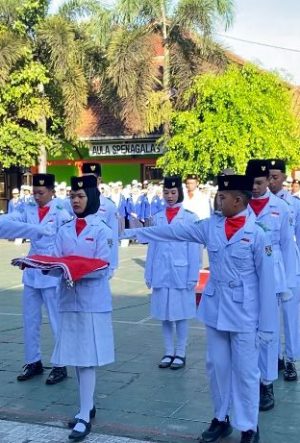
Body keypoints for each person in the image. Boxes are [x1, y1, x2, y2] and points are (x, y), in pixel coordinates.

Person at [121, 175, 277, 443]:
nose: (218, 200)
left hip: (245, 315)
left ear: (238, 200)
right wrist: (135, 232)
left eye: (222, 196)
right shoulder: (210, 226)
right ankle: (221, 418)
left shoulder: (258, 233)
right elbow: (173, 232)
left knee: (246, 371)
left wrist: (267, 327)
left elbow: (267, 283)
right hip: (216, 309)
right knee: (216, 367)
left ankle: (249, 426)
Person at [50, 175, 114, 441]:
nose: (75, 201)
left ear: (92, 198)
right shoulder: (64, 229)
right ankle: (87, 405)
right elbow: (55, 261)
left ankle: (85, 414)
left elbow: (103, 267)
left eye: (80, 196)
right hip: (68, 299)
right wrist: (40, 265)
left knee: (87, 359)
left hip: (92, 303)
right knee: (77, 356)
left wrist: (72, 269)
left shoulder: (102, 230)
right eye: (72, 197)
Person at [0, 173, 72, 384]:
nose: (37, 197)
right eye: (34, 193)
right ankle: (33, 361)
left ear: (51, 191)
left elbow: (67, 238)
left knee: (56, 320)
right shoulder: (28, 208)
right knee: (30, 319)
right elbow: (12, 223)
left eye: (41, 193)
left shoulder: (61, 210)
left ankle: (60, 364)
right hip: (31, 268)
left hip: (51, 269)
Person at [245, 159, 297, 411]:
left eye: (259, 182)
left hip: (272, 278)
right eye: (251, 182)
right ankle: (249, 381)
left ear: (268, 181)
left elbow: (287, 247)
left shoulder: (281, 208)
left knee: (269, 333)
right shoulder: (238, 204)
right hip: (245, 278)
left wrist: (287, 284)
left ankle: (266, 384)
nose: (254, 187)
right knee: (246, 333)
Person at [145, 176, 200, 369]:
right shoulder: (157, 217)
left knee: (181, 314)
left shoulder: (190, 218)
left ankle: (181, 353)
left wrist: (194, 274)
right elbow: (152, 246)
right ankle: (168, 351)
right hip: (161, 271)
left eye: (173, 192)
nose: (169, 196)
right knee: (165, 315)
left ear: (180, 192)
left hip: (181, 272)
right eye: (166, 192)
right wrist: (149, 272)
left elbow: (194, 249)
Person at [267, 159, 300, 383]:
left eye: (275, 177)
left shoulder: (294, 204)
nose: (271, 181)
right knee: (270, 315)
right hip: (270, 265)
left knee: (290, 316)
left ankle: (290, 360)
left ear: (285, 177)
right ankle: (276, 357)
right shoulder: (260, 204)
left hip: (290, 264)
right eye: (269, 177)